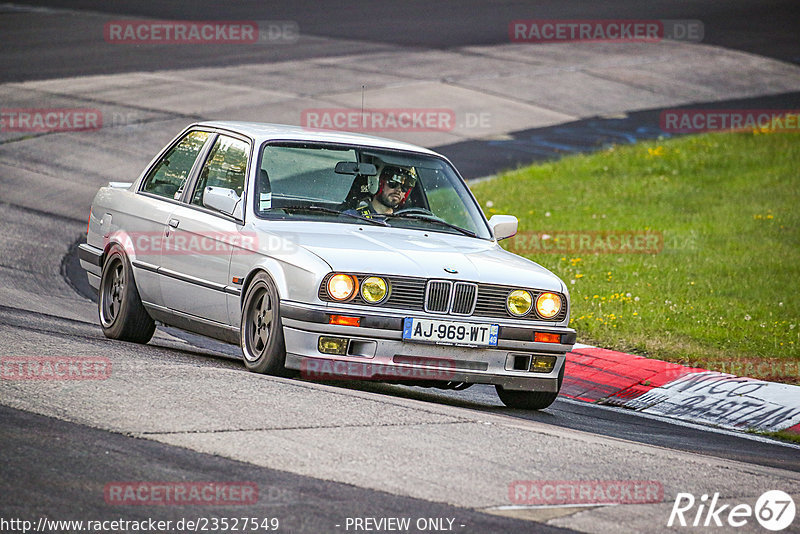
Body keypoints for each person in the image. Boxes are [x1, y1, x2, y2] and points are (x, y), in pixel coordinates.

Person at [349, 165, 417, 218]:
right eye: (393, 183)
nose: (398, 190)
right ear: (377, 183)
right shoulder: (353, 217)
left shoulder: (406, 223)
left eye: (405, 186)